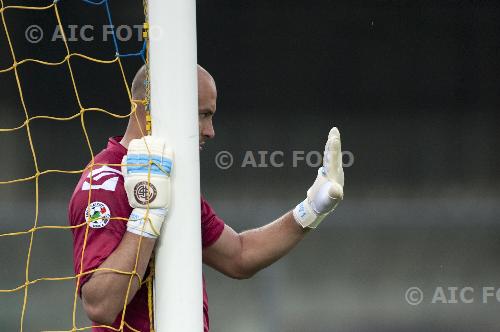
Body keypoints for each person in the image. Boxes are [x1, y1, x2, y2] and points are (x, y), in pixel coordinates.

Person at [68, 64, 344, 332]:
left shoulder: (167, 178)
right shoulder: (104, 182)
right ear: (155, 107)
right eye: (202, 114)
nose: (210, 130)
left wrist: (312, 208)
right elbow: (100, 304)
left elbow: (238, 255)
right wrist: (146, 214)